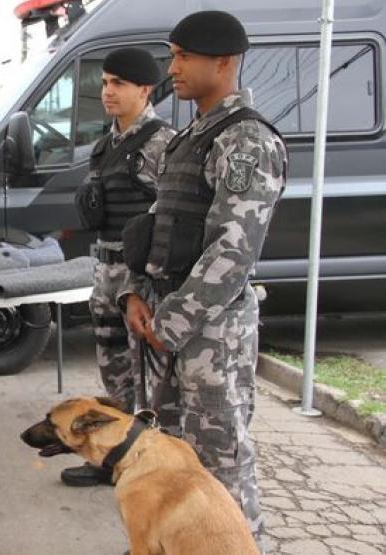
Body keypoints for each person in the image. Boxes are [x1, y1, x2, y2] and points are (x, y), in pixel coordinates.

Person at [119, 10, 288, 548]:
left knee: (222, 467)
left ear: (224, 62)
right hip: (169, 324)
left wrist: (169, 322)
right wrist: (136, 296)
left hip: (212, 333)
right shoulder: (189, 138)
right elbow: (160, 231)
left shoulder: (246, 141)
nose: (173, 68)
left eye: (184, 56)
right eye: (172, 56)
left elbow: (232, 253)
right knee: (172, 458)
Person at [61, 47, 176, 488]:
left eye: (118, 83)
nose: (107, 91)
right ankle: (111, 458)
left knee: (150, 378)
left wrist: (143, 284)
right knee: (115, 372)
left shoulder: (163, 143)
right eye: (105, 82)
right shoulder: (106, 143)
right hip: (104, 270)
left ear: (145, 89)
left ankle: (151, 464)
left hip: (140, 277)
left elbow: (168, 220)